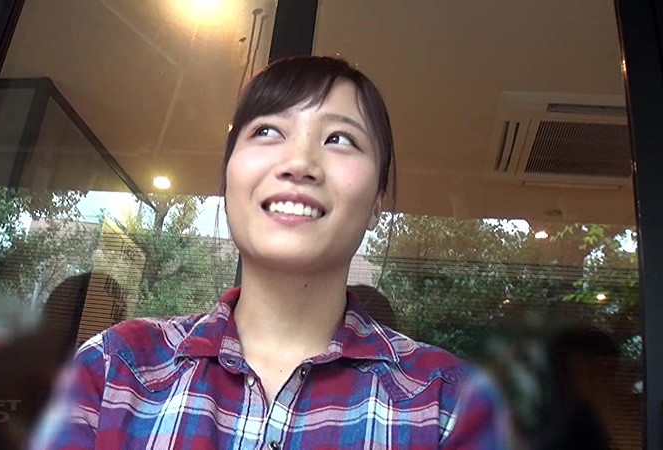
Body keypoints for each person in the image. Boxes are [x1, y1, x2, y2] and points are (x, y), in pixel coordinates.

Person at [31, 56, 509, 449]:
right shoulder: (114, 370)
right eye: (267, 131)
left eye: (339, 139)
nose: (299, 163)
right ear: (228, 180)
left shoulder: (448, 405)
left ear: (376, 203)